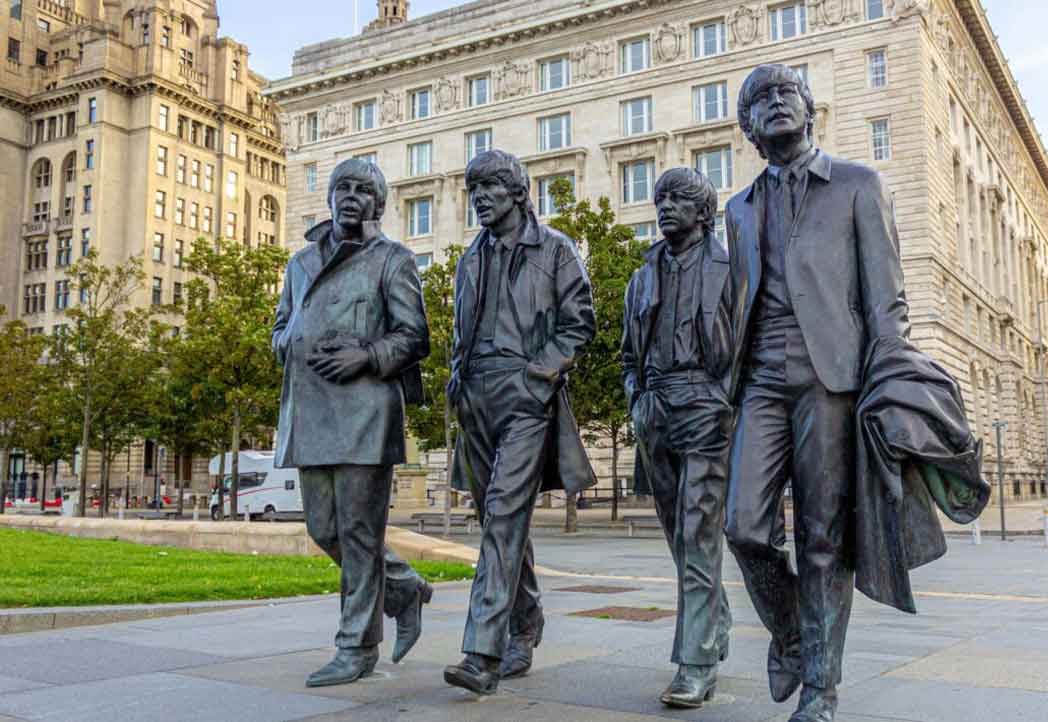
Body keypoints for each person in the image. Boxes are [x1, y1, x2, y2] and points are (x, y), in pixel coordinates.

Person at [721, 64, 910, 722]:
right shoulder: (736, 209)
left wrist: (887, 378)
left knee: (823, 539)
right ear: (747, 126)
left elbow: (886, 299)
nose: (775, 105)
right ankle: (795, 635)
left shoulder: (858, 184)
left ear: (809, 110)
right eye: (760, 101)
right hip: (761, 381)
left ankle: (820, 689)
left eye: (785, 94)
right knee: (743, 527)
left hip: (833, 377)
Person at [272, 157, 434, 688]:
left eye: (364, 191)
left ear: (379, 205)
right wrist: (289, 345)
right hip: (311, 408)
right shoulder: (299, 263)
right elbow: (281, 325)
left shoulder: (393, 260)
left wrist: (366, 353)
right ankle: (404, 586)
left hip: (366, 410)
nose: (351, 196)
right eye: (343, 187)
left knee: (361, 533)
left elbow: (414, 336)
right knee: (324, 528)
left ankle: (357, 646)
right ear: (330, 197)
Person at [444, 149, 596, 695]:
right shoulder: (469, 259)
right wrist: (456, 383)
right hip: (476, 399)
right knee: (496, 520)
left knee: (506, 514)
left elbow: (581, 322)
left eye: (489, 186)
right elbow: (460, 333)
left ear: (517, 192)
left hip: (526, 394)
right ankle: (525, 624)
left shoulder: (554, 250)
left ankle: (481, 652)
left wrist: (541, 375)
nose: (479, 196)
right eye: (473, 188)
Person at [620, 167, 734, 709]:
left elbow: (749, 343)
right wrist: (635, 398)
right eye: (661, 198)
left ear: (704, 212)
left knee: (698, 533)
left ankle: (696, 663)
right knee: (679, 538)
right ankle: (714, 622)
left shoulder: (731, 267)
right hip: (655, 410)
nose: (665, 206)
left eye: (680, 198)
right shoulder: (641, 276)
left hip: (707, 407)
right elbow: (627, 354)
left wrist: (724, 398)